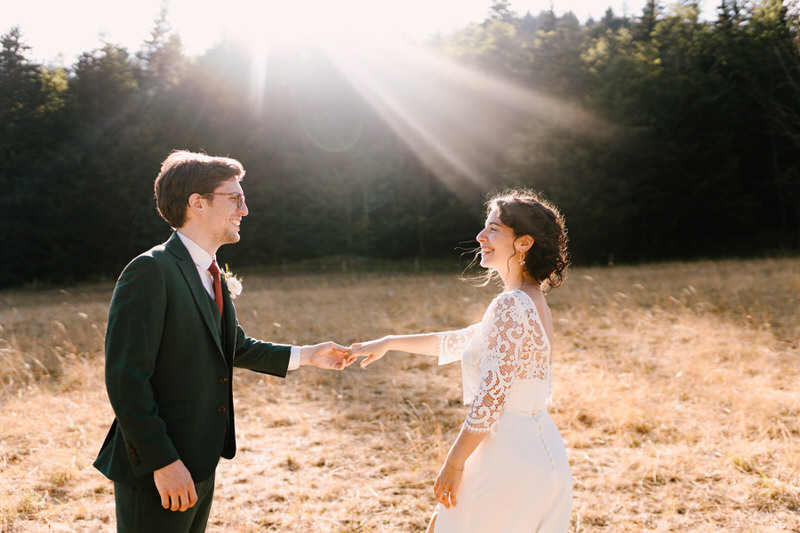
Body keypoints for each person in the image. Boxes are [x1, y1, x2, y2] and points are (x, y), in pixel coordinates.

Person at [93, 150, 350, 533]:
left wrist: (308, 356)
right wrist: (162, 463)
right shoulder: (150, 270)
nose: (244, 210)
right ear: (198, 203)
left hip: (199, 456)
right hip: (159, 466)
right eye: (235, 198)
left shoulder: (209, 272)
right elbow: (127, 380)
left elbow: (236, 346)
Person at [350, 189, 573, 533]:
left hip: (507, 455)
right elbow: (459, 341)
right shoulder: (530, 302)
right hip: (543, 449)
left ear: (524, 243)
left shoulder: (510, 305)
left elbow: (491, 398)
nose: (480, 236)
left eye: (494, 229)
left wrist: (454, 463)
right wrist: (390, 342)